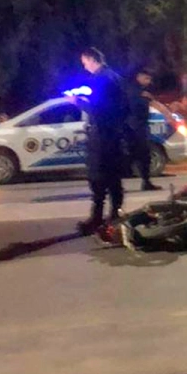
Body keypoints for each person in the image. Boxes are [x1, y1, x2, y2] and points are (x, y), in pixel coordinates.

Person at [71, 47, 130, 235]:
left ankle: (96, 219)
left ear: (92, 59)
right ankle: (115, 215)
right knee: (113, 178)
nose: (85, 67)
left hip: (102, 136)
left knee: (98, 178)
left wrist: (78, 102)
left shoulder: (100, 79)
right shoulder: (115, 77)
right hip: (114, 135)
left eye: (85, 62)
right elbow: (124, 107)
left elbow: (98, 109)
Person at [125, 67, 162, 191]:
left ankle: (146, 181)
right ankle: (114, 185)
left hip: (140, 127)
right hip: (132, 128)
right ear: (139, 77)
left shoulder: (143, 92)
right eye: (146, 78)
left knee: (144, 156)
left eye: (150, 79)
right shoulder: (132, 91)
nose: (148, 82)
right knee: (129, 156)